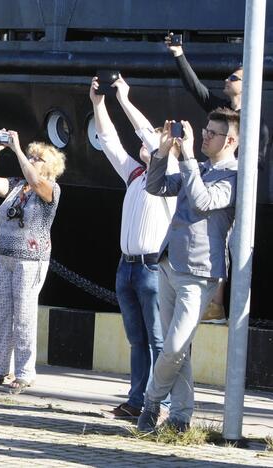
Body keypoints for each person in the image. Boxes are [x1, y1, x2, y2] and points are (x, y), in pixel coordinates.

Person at [139, 108, 240, 433]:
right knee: (177, 348)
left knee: (175, 347)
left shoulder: (235, 176)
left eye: (212, 133)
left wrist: (188, 157)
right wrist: (163, 151)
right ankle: (180, 418)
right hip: (169, 264)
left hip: (199, 272)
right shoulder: (197, 167)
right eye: (205, 130)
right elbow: (154, 186)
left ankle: (151, 403)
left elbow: (202, 201)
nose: (205, 136)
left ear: (231, 140)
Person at [165, 34, 269, 323]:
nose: (227, 80)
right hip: (215, 184)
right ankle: (214, 305)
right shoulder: (222, 113)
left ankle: (227, 309)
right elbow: (196, 89)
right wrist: (178, 54)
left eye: (233, 78)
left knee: (234, 245)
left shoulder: (254, 122)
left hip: (233, 189)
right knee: (217, 241)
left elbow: (257, 161)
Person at [90, 76, 177, 417]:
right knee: (138, 340)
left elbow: (150, 138)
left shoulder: (168, 172)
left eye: (154, 140)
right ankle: (137, 400)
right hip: (126, 265)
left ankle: (160, 404)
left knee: (157, 340)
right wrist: (98, 105)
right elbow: (110, 141)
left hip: (152, 266)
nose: (145, 142)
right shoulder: (136, 174)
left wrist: (124, 99)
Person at [0, 128, 64, 394]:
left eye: (36, 158)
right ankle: (2, 368)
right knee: (2, 313)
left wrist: (16, 150)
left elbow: (36, 182)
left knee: (24, 315)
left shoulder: (51, 189)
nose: (31, 159)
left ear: (49, 166)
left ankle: (26, 372)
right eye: (30, 156)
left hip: (30, 260)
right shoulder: (17, 185)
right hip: (4, 257)